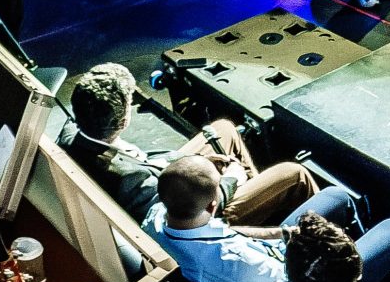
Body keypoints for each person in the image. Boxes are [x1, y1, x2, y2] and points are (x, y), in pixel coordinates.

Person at [147, 152, 390, 282]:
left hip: (273, 261)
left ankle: (370, 255)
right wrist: (330, 253)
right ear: (212, 205)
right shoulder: (243, 266)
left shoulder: (155, 219)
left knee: (336, 197)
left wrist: (279, 233)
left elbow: (223, 232)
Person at [70, 61, 337, 228]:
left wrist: (197, 165)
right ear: (123, 120)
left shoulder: (73, 134)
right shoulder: (132, 181)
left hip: (163, 175)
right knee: (294, 175)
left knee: (224, 130)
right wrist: (228, 181)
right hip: (199, 216)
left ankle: (261, 197)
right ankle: (323, 231)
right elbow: (182, 211)